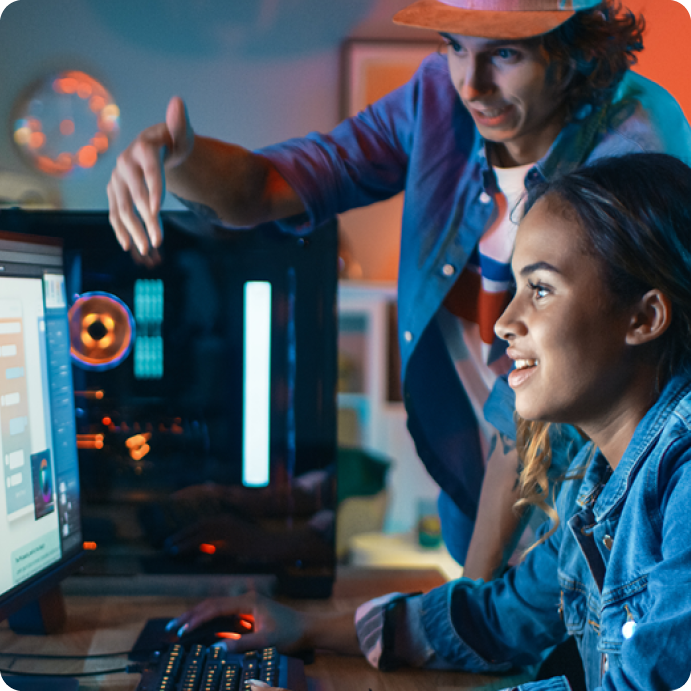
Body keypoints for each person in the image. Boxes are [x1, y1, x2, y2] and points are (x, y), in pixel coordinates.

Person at [107, 0, 691, 580]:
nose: (472, 84)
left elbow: (544, 406)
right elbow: (269, 186)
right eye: (455, 46)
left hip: (593, 496)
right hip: (477, 484)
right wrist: (175, 157)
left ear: (573, 50)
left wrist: (473, 601)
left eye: (505, 54)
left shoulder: (634, 142)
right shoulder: (436, 97)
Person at [166, 152, 691, 690]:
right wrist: (310, 628)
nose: (505, 323)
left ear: (645, 317)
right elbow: (499, 618)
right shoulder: (593, 481)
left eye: (540, 289)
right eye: (514, 287)